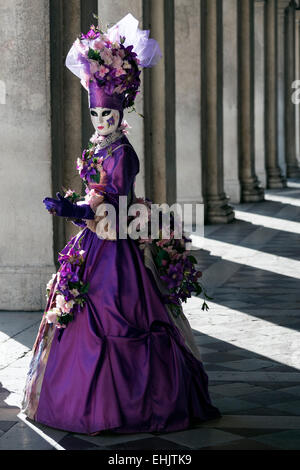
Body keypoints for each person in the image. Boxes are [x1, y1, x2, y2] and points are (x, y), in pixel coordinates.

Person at [21, 14, 220, 435]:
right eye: (95, 114)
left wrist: (73, 211)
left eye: (108, 115)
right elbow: (94, 196)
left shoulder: (122, 153)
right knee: (80, 317)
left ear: (120, 112)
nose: (100, 122)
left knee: (121, 314)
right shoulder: (98, 145)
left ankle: (129, 406)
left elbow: (110, 204)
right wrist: (75, 206)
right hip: (96, 242)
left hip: (114, 244)